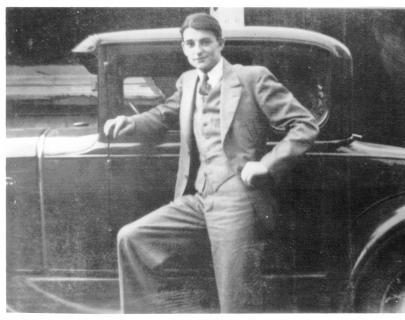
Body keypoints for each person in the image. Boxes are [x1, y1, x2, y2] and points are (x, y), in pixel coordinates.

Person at [104, 12, 319, 313]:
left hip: (238, 199)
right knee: (132, 238)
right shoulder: (188, 81)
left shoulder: (251, 78)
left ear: (221, 43)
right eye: (190, 44)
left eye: (205, 42)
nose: (198, 50)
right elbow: (163, 113)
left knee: (233, 297)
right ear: (183, 48)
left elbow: (304, 124)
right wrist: (129, 122)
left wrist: (267, 164)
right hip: (200, 197)